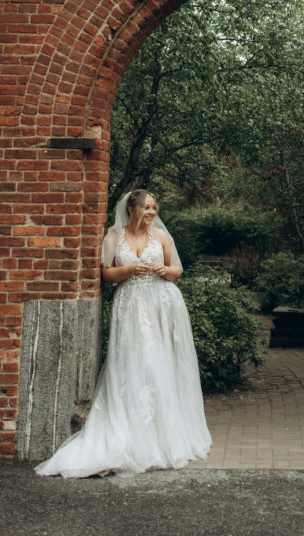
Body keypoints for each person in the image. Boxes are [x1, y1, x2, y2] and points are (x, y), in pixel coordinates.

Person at [35, 189, 211, 477]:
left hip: (158, 305)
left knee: (157, 364)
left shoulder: (162, 237)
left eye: (155, 208)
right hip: (129, 306)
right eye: (147, 208)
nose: (152, 213)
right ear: (132, 209)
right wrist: (128, 269)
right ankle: (129, 430)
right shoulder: (114, 236)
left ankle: (162, 435)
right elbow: (106, 274)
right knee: (131, 363)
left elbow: (177, 270)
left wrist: (163, 269)